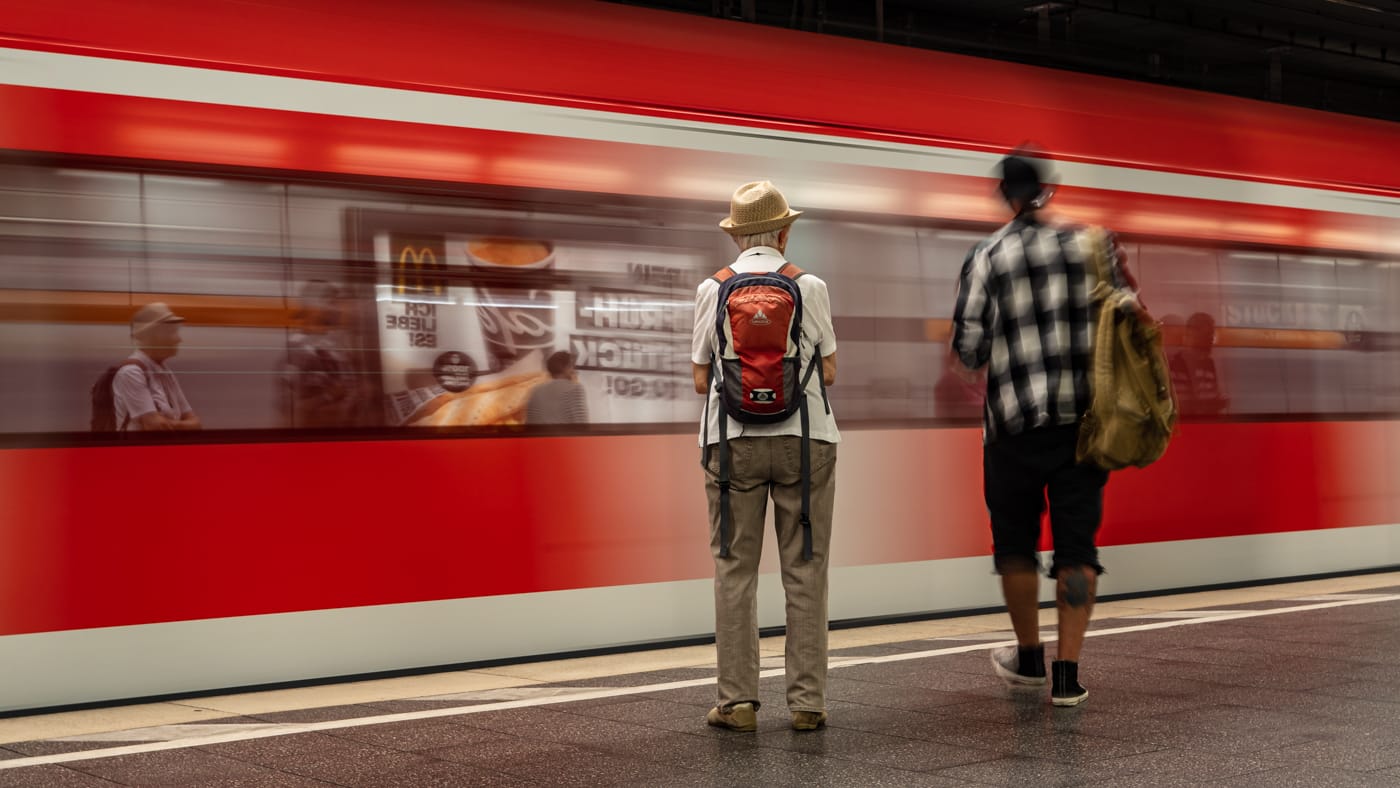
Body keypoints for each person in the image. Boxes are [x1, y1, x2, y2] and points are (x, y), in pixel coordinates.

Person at [950, 152, 1132, 707]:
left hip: (1012, 424)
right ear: (1046, 191)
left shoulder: (986, 256)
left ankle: (1029, 657)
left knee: (1015, 545)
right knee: (1077, 547)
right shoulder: (1093, 247)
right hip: (1084, 426)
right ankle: (1066, 674)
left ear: (1005, 194)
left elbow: (969, 347)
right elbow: (1128, 317)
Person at [692, 181, 839, 732]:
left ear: (736, 237)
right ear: (784, 231)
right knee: (805, 570)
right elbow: (828, 370)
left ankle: (737, 704)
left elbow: (700, 375)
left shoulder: (713, 288)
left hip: (730, 445)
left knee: (735, 570)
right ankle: (807, 704)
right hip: (807, 441)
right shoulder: (811, 287)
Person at [282, 281, 362, 428]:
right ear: (314, 306)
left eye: (336, 303)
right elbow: (293, 409)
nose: (336, 309)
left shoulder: (337, 344)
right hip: (320, 435)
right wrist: (329, 396)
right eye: (331, 302)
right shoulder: (298, 349)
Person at [113, 302, 201, 431]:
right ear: (153, 336)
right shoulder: (131, 373)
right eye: (172, 332)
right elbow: (155, 427)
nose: (178, 339)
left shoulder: (165, 372)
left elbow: (196, 423)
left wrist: (170, 424)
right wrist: (182, 425)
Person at [1168, 312, 1229, 416]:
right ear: (1193, 335)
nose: (1210, 340)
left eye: (1211, 335)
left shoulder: (1209, 364)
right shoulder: (1175, 365)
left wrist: (1218, 402)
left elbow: (1212, 395)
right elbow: (1179, 407)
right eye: (1207, 335)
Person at [525, 350, 588, 425]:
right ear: (566, 367)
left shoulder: (535, 391)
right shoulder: (575, 389)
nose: (574, 371)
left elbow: (529, 425)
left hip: (539, 436)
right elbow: (582, 425)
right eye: (572, 366)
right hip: (564, 436)